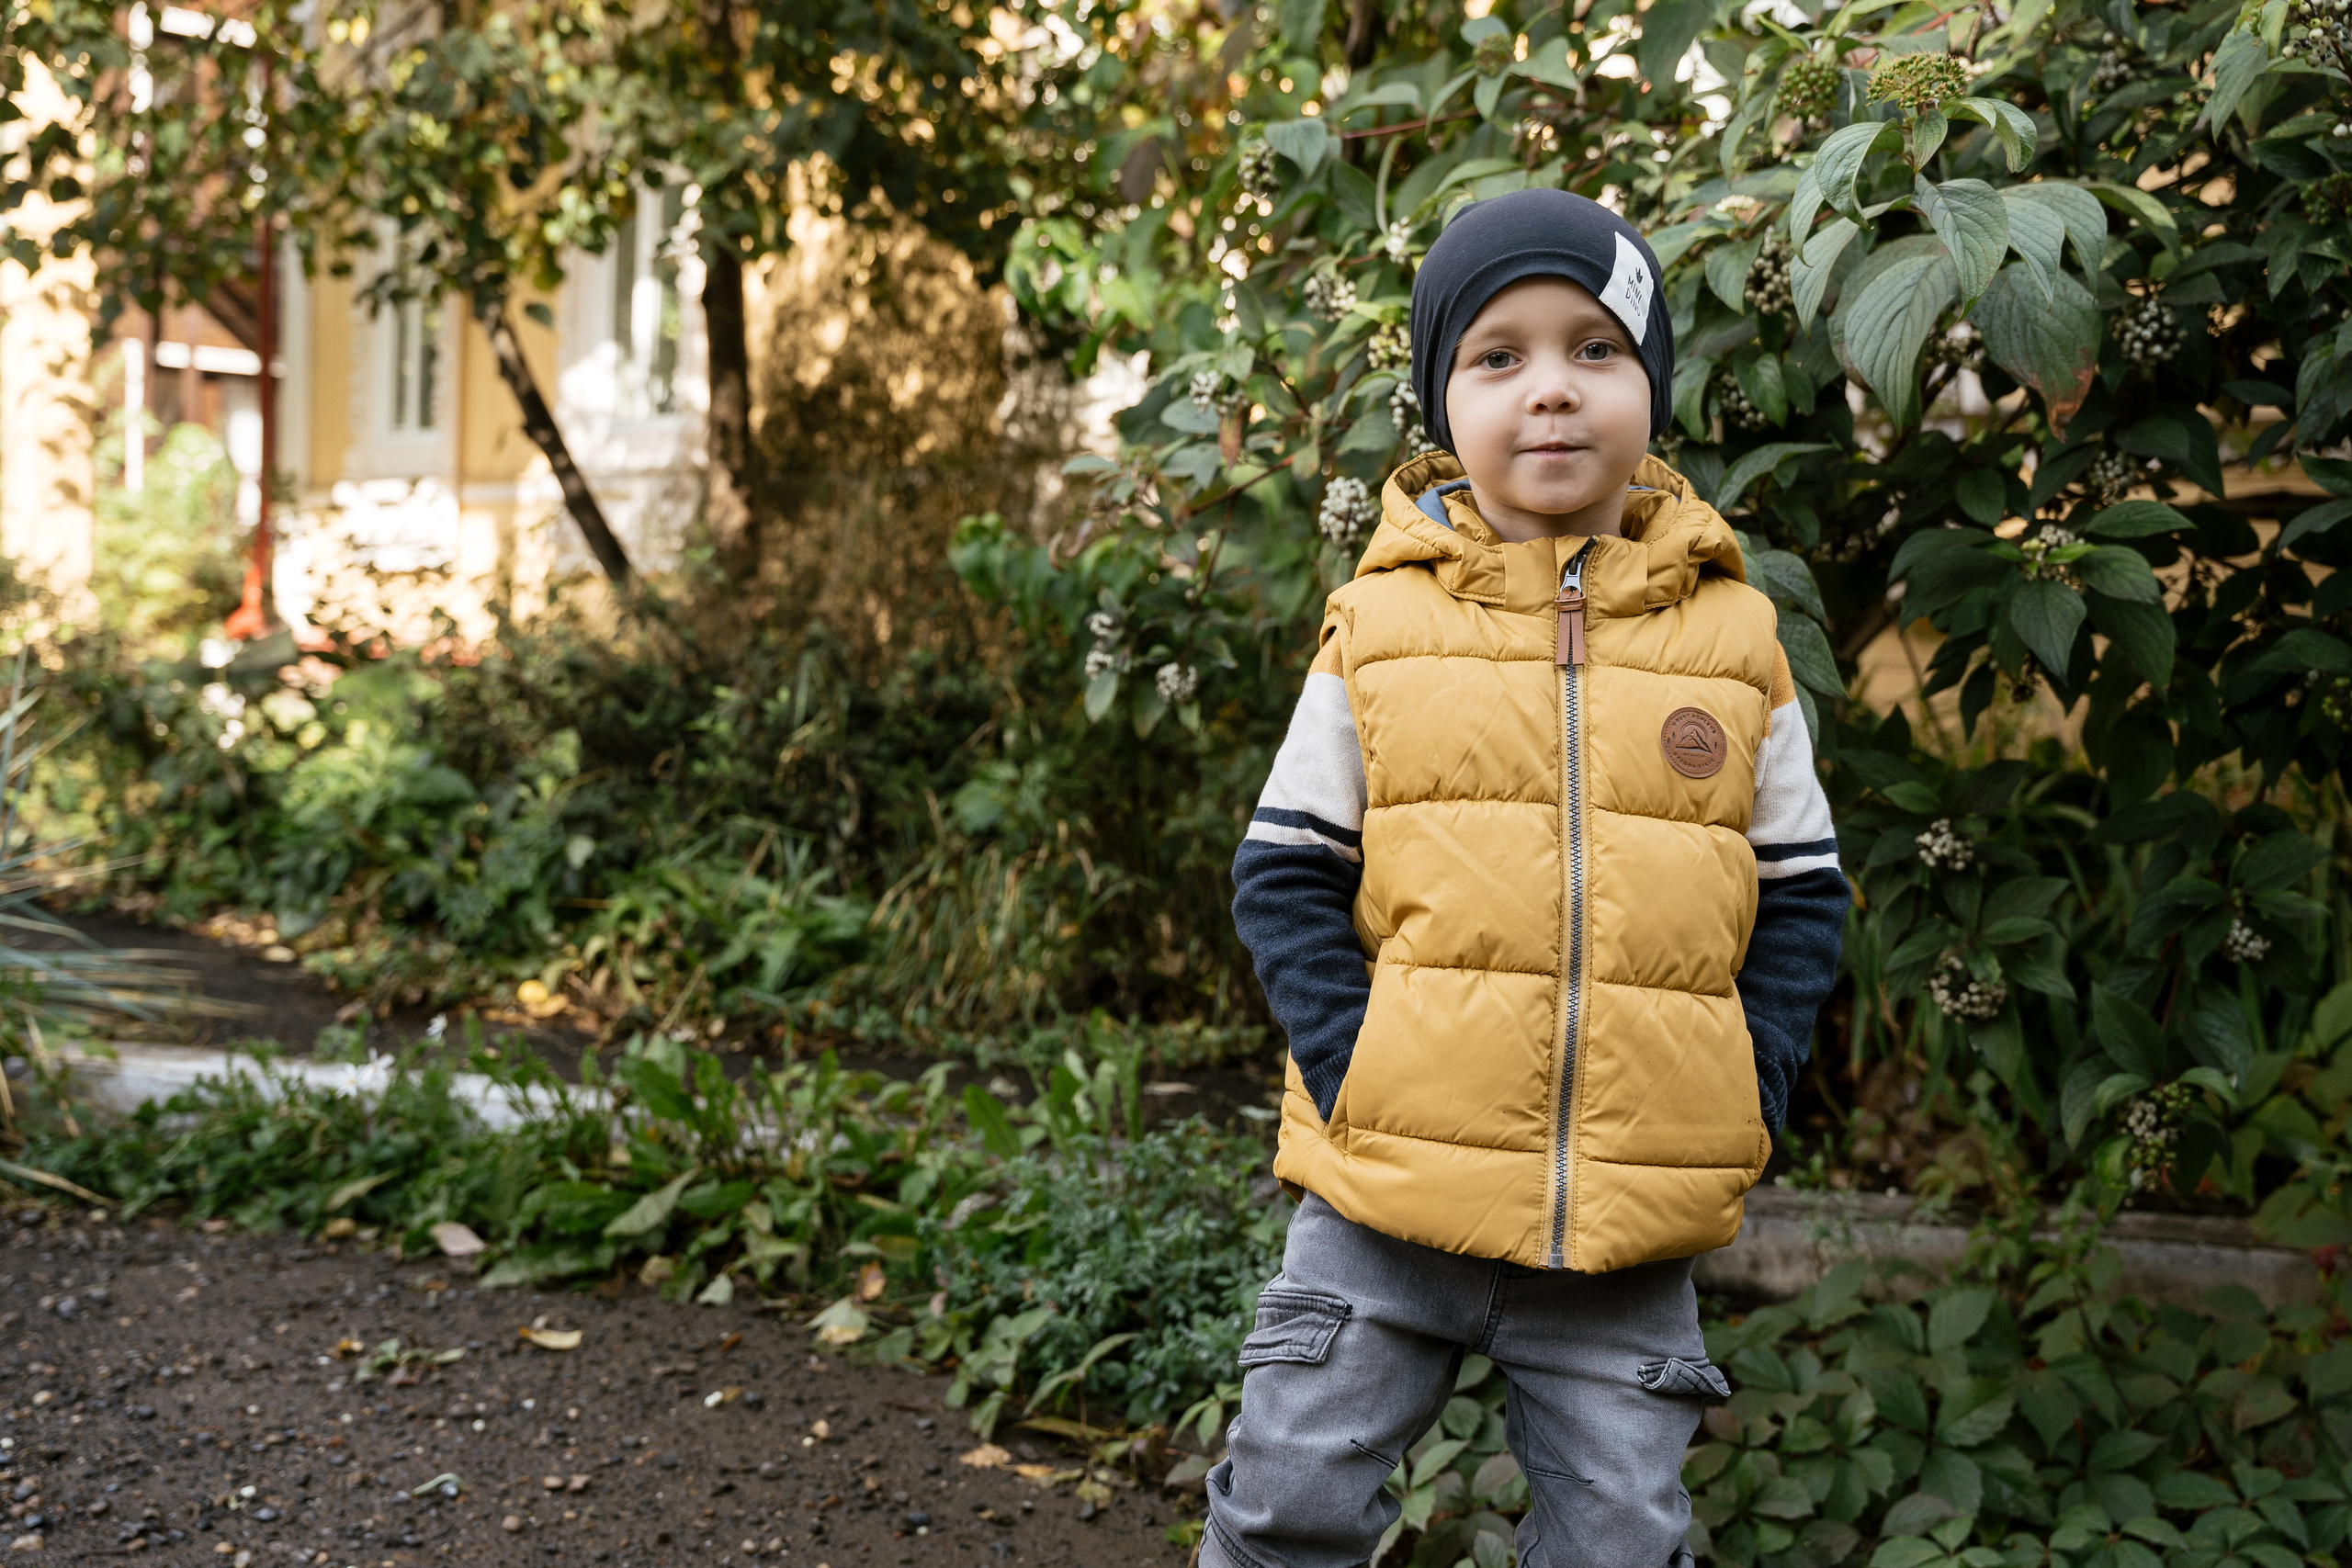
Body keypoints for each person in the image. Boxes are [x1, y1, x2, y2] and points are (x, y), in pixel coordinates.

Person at [1212, 187, 1851, 1568]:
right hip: (1384, 1205)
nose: (1551, 389)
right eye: (1498, 356)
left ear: (1652, 384)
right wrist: (1357, 1070)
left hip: (1628, 1228)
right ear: (1443, 402)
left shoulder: (1736, 641)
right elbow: (1284, 873)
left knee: (1621, 1537)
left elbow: (1803, 890)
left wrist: (1749, 1082)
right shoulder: (1378, 628)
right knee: (1290, 1502)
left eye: (1595, 349)